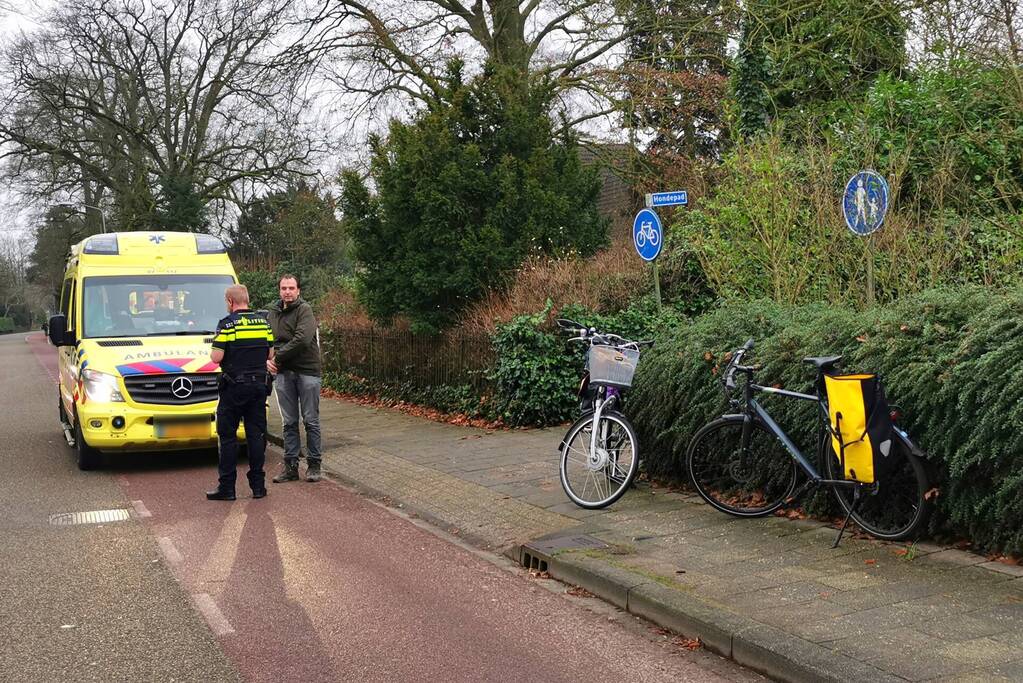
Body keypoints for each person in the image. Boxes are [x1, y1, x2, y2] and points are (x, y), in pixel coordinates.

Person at [205, 284, 275, 501]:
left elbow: (216, 357)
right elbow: (270, 353)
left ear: (230, 302)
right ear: (247, 299)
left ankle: (227, 488)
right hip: (258, 388)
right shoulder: (263, 323)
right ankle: (258, 487)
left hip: (234, 388)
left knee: (227, 438)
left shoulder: (227, 325)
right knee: (256, 436)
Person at [267, 274, 323, 483]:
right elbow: (267, 339)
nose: (287, 292)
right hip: (283, 373)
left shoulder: (304, 310)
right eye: (284, 288)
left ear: (298, 290)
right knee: (289, 421)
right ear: (279, 290)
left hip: (306, 371)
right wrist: (267, 359)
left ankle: (314, 465)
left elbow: (302, 340)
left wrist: (277, 357)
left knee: (310, 419)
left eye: (291, 288)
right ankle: (290, 467)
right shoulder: (273, 312)